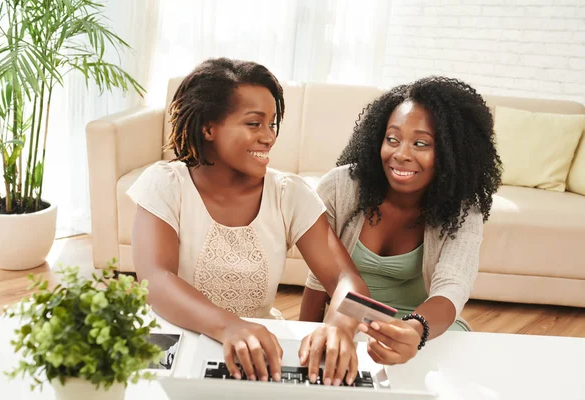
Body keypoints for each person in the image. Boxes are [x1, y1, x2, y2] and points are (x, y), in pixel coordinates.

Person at [127, 58, 370, 387]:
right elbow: (156, 280)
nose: (269, 137)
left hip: (256, 355)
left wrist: (341, 326)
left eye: (272, 124)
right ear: (209, 127)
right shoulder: (166, 184)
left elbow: (346, 279)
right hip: (174, 345)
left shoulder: (288, 194)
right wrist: (229, 326)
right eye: (254, 124)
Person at [300, 76, 503, 366]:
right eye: (392, 139)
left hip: (425, 330)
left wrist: (413, 329)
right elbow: (318, 278)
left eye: (421, 143)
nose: (401, 154)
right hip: (347, 322)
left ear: (451, 152)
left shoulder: (462, 210)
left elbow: (451, 290)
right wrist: (304, 336)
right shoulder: (340, 187)